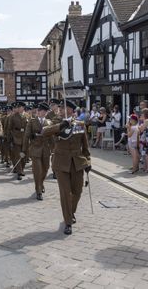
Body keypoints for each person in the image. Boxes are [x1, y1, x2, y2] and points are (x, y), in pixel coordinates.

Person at [42, 100, 91, 235]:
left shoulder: (80, 124)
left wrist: (88, 162)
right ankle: (68, 221)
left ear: (70, 110)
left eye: (63, 108)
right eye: (60, 108)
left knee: (77, 191)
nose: (60, 110)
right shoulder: (55, 121)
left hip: (77, 163)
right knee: (65, 193)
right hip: (61, 163)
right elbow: (44, 131)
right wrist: (61, 126)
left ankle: (71, 212)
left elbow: (85, 147)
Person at [22, 102, 53, 200]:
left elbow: (52, 138)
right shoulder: (31, 122)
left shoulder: (49, 122)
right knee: (37, 171)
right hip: (35, 149)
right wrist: (24, 150)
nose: (40, 112)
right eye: (39, 111)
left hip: (46, 150)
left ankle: (41, 183)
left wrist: (55, 149)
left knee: (45, 169)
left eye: (43, 111)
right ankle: (38, 190)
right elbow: (26, 136)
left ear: (46, 112)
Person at [7, 101, 29, 180]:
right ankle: (19, 172)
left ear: (23, 108)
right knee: (18, 155)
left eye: (20, 107)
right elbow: (9, 128)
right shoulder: (13, 116)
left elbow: (30, 127)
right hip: (16, 137)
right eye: (17, 107)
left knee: (24, 155)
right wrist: (10, 138)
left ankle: (22, 169)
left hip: (25, 137)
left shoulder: (27, 116)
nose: (18, 108)